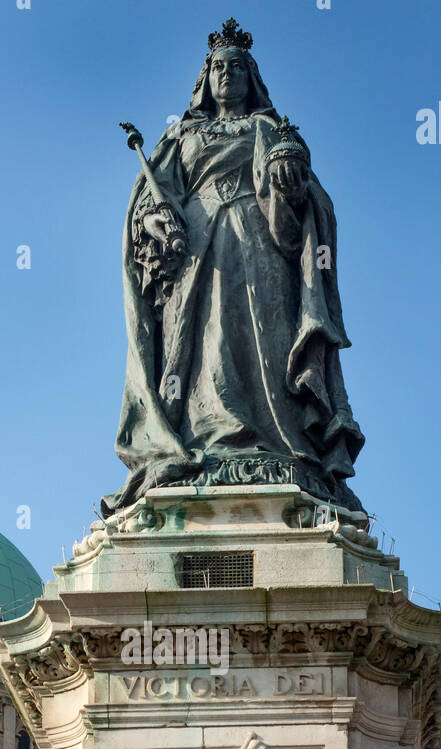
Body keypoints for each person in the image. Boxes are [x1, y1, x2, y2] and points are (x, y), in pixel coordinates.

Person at [104, 17, 365, 516]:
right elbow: (152, 203)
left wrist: (291, 187)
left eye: (237, 68)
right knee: (199, 347)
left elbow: (301, 205)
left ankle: (278, 441)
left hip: (259, 245)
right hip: (196, 252)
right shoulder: (181, 135)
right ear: (207, 78)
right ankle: (200, 436)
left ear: (250, 78)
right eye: (220, 68)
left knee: (264, 338)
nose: (228, 75)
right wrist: (155, 220)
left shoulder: (270, 129)